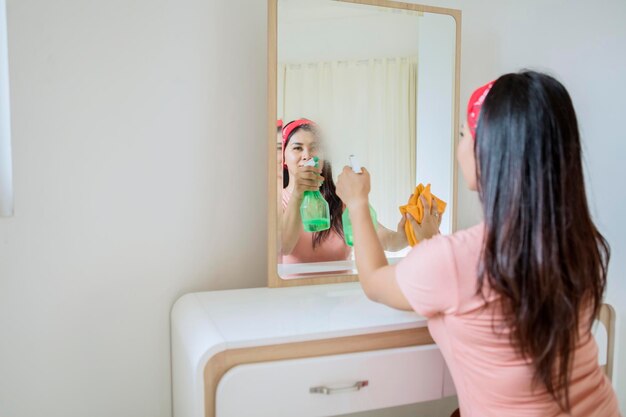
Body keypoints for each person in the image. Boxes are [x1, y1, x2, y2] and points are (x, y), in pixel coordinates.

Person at [335, 71, 620, 416]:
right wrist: (430, 241)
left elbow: (375, 280)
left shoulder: (456, 260)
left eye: (462, 135)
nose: (458, 146)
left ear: (488, 149)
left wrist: (357, 202)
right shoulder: (579, 241)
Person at [280, 118, 407, 264]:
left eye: (314, 147)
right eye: (297, 148)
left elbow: (382, 238)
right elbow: (284, 247)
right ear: (284, 157)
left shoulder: (342, 201)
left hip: (342, 287)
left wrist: (405, 236)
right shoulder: (276, 200)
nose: (307, 155)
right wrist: (297, 194)